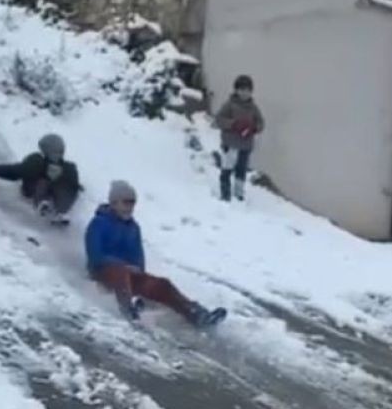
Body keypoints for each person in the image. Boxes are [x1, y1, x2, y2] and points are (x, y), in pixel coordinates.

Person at [84, 180, 226, 327]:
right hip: (103, 271)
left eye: (133, 203)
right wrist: (120, 265)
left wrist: (136, 269)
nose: (130, 207)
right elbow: (95, 255)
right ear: (114, 203)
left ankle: (196, 314)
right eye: (126, 202)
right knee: (121, 273)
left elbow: (138, 258)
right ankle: (128, 309)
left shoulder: (133, 227)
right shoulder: (99, 223)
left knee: (162, 284)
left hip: (129, 274)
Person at [0, 133, 81, 224]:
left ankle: (60, 211)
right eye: (54, 152)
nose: (57, 155)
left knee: (67, 186)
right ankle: (43, 205)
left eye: (59, 152)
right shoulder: (36, 162)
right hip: (32, 191)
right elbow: (11, 171)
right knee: (43, 183)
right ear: (45, 151)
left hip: (54, 194)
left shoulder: (68, 168)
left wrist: (73, 188)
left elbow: (72, 188)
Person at [214, 74, 265, 202]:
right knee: (227, 168)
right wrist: (234, 124)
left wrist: (253, 128)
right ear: (236, 90)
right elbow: (219, 120)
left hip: (246, 145)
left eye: (247, 90)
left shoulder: (253, 107)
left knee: (241, 170)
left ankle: (239, 194)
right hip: (230, 144)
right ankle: (225, 193)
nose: (244, 93)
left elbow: (261, 123)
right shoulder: (230, 104)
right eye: (242, 90)